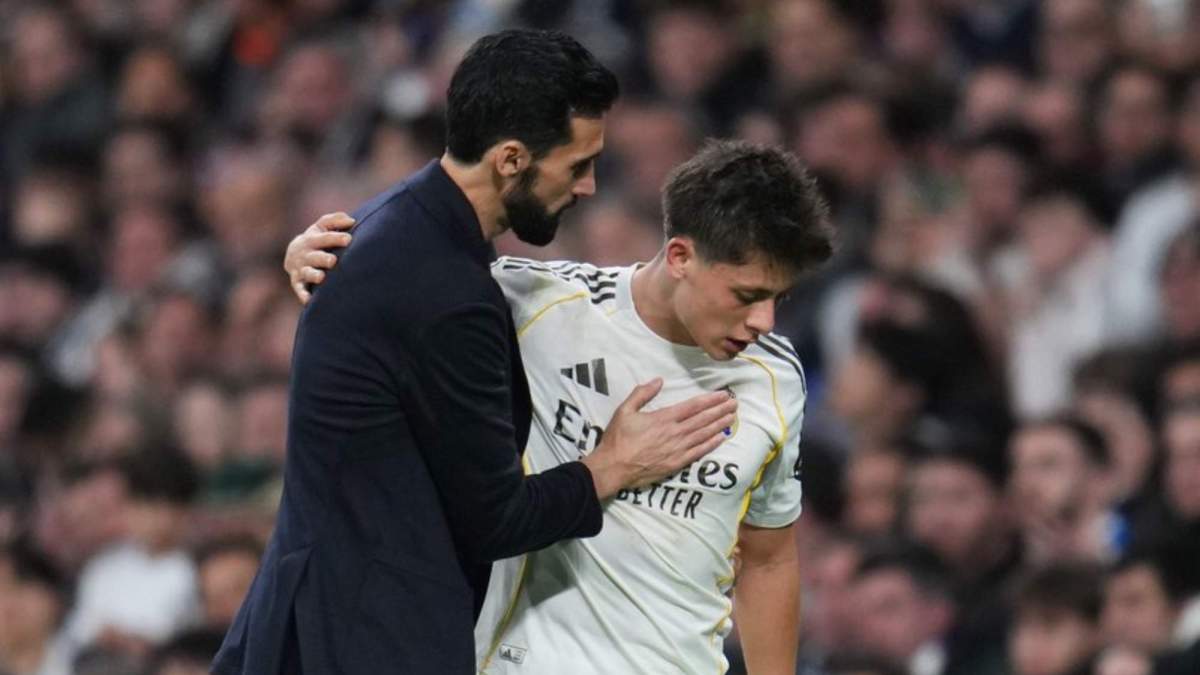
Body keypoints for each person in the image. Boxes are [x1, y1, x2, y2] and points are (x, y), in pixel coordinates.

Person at [214, 29, 737, 675]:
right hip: (367, 640)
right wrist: (613, 464)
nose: (589, 187)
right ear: (511, 159)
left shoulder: (392, 221)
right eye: (576, 165)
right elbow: (498, 518)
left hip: (315, 620)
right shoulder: (446, 290)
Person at [287, 138, 834, 673]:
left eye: (777, 298)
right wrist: (314, 254)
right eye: (746, 296)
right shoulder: (538, 305)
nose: (764, 322)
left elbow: (767, 558)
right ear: (680, 255)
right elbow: (402, 279)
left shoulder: (775, 377)